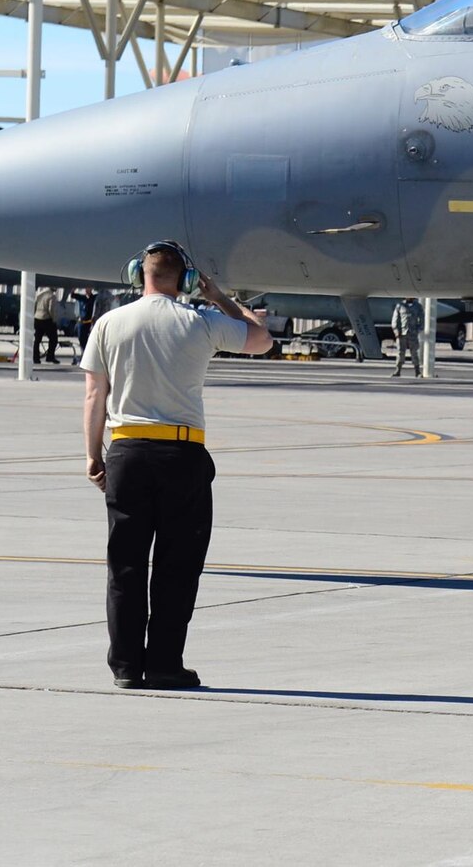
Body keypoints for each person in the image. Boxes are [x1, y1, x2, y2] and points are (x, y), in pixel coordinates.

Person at [81, 240, 274, 690]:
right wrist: (220, 297)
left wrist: (93, 454)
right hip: (181, 455)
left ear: (137, 274)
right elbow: (262, 341)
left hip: (127, 450)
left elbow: (95, 395)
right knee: (177, 566)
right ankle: (165, 663)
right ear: (185, 280)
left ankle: (126, 667)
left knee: (126, 566)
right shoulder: (202, 322)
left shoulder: (109, 324)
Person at [391, 297, 424, 378]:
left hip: (413, 333)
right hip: (402, 333)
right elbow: (395, 319)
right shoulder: (400, 306)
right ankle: (398, 370)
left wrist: (418, 329)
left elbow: (422, 319)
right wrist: (396, 330)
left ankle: (417, 371)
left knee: (414, 353)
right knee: (400, 352)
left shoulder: (418, 306)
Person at [33, 284, 62, 364]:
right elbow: (51, 309)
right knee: (53, 339)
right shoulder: (51, 296)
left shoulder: (39, 295)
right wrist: (54, 319)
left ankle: (35, 358)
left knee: (37, 340)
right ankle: (50, 356)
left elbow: (34, 306)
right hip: (47, 319)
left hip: (37, 318)